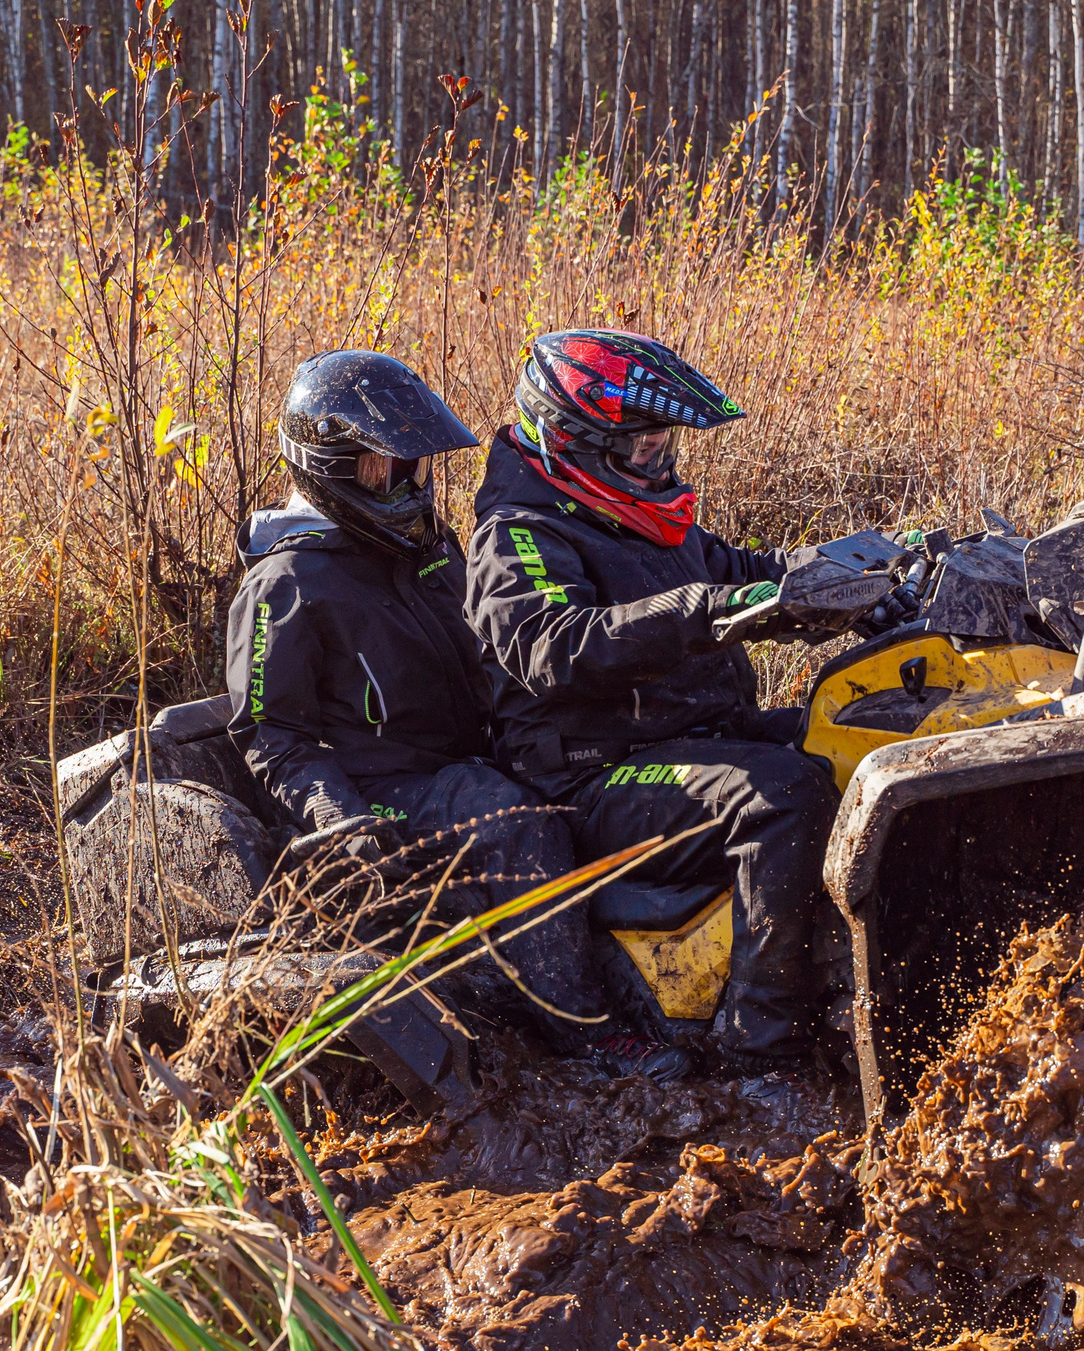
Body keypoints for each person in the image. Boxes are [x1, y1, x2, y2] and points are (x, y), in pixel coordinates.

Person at [225, 348, 694, 1081]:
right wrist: (335, 813)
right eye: (387, 469)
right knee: (512, 822)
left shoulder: (428, 549)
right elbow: (273, 736)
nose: (408, 483)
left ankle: (670, 988)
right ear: (332, 465)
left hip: (466, 755)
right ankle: (589, 1037)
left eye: (414, 466)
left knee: (590, 779)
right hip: (377, 785)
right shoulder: (287, 580)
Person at [463, 329, 855, 1074]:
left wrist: (867, 573)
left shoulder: (646, 517)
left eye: (662, 445)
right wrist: (698, 612)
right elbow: (557, 646)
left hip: (692, 735)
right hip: (594, 777)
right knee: (784, 797)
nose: (657, 462)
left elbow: (755, 575)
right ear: (572, 442)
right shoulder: (518, 534)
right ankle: (761, 1054)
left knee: (855, 734)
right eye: (638, 448)